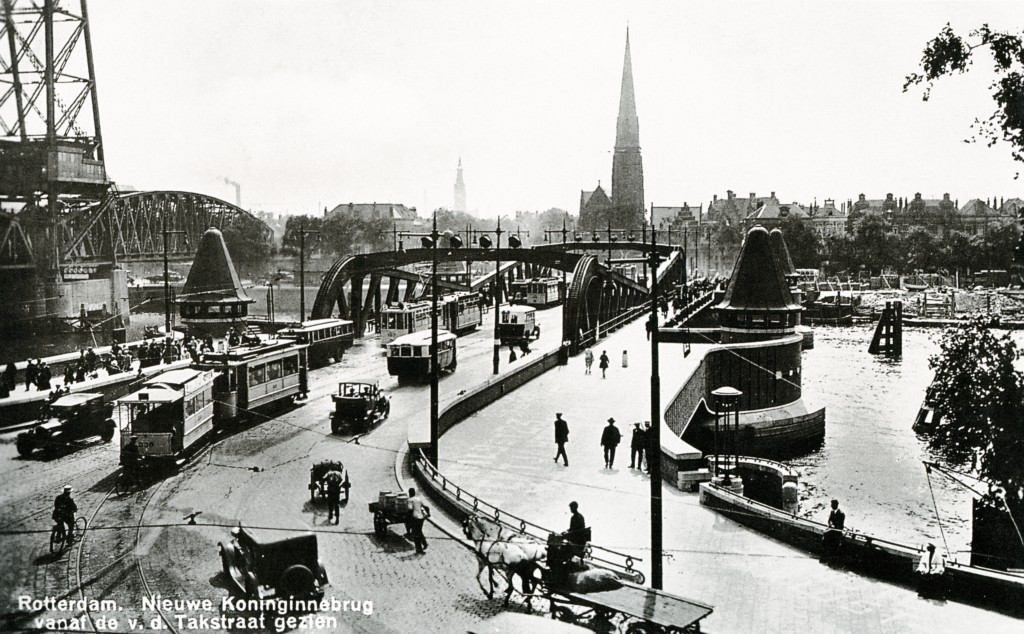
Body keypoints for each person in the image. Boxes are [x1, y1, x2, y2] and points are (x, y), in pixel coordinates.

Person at [407, 487, 429, 554]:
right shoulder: (419, 499)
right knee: (419, 531)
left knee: (416, 534)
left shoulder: (410, 500)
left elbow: (410, 509)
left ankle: (419, 549)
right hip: (421, 518)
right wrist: (428, 514)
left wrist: (409, 519)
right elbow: (426, 507)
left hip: (415, 518)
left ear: (410, 493)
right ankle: (424, 543)